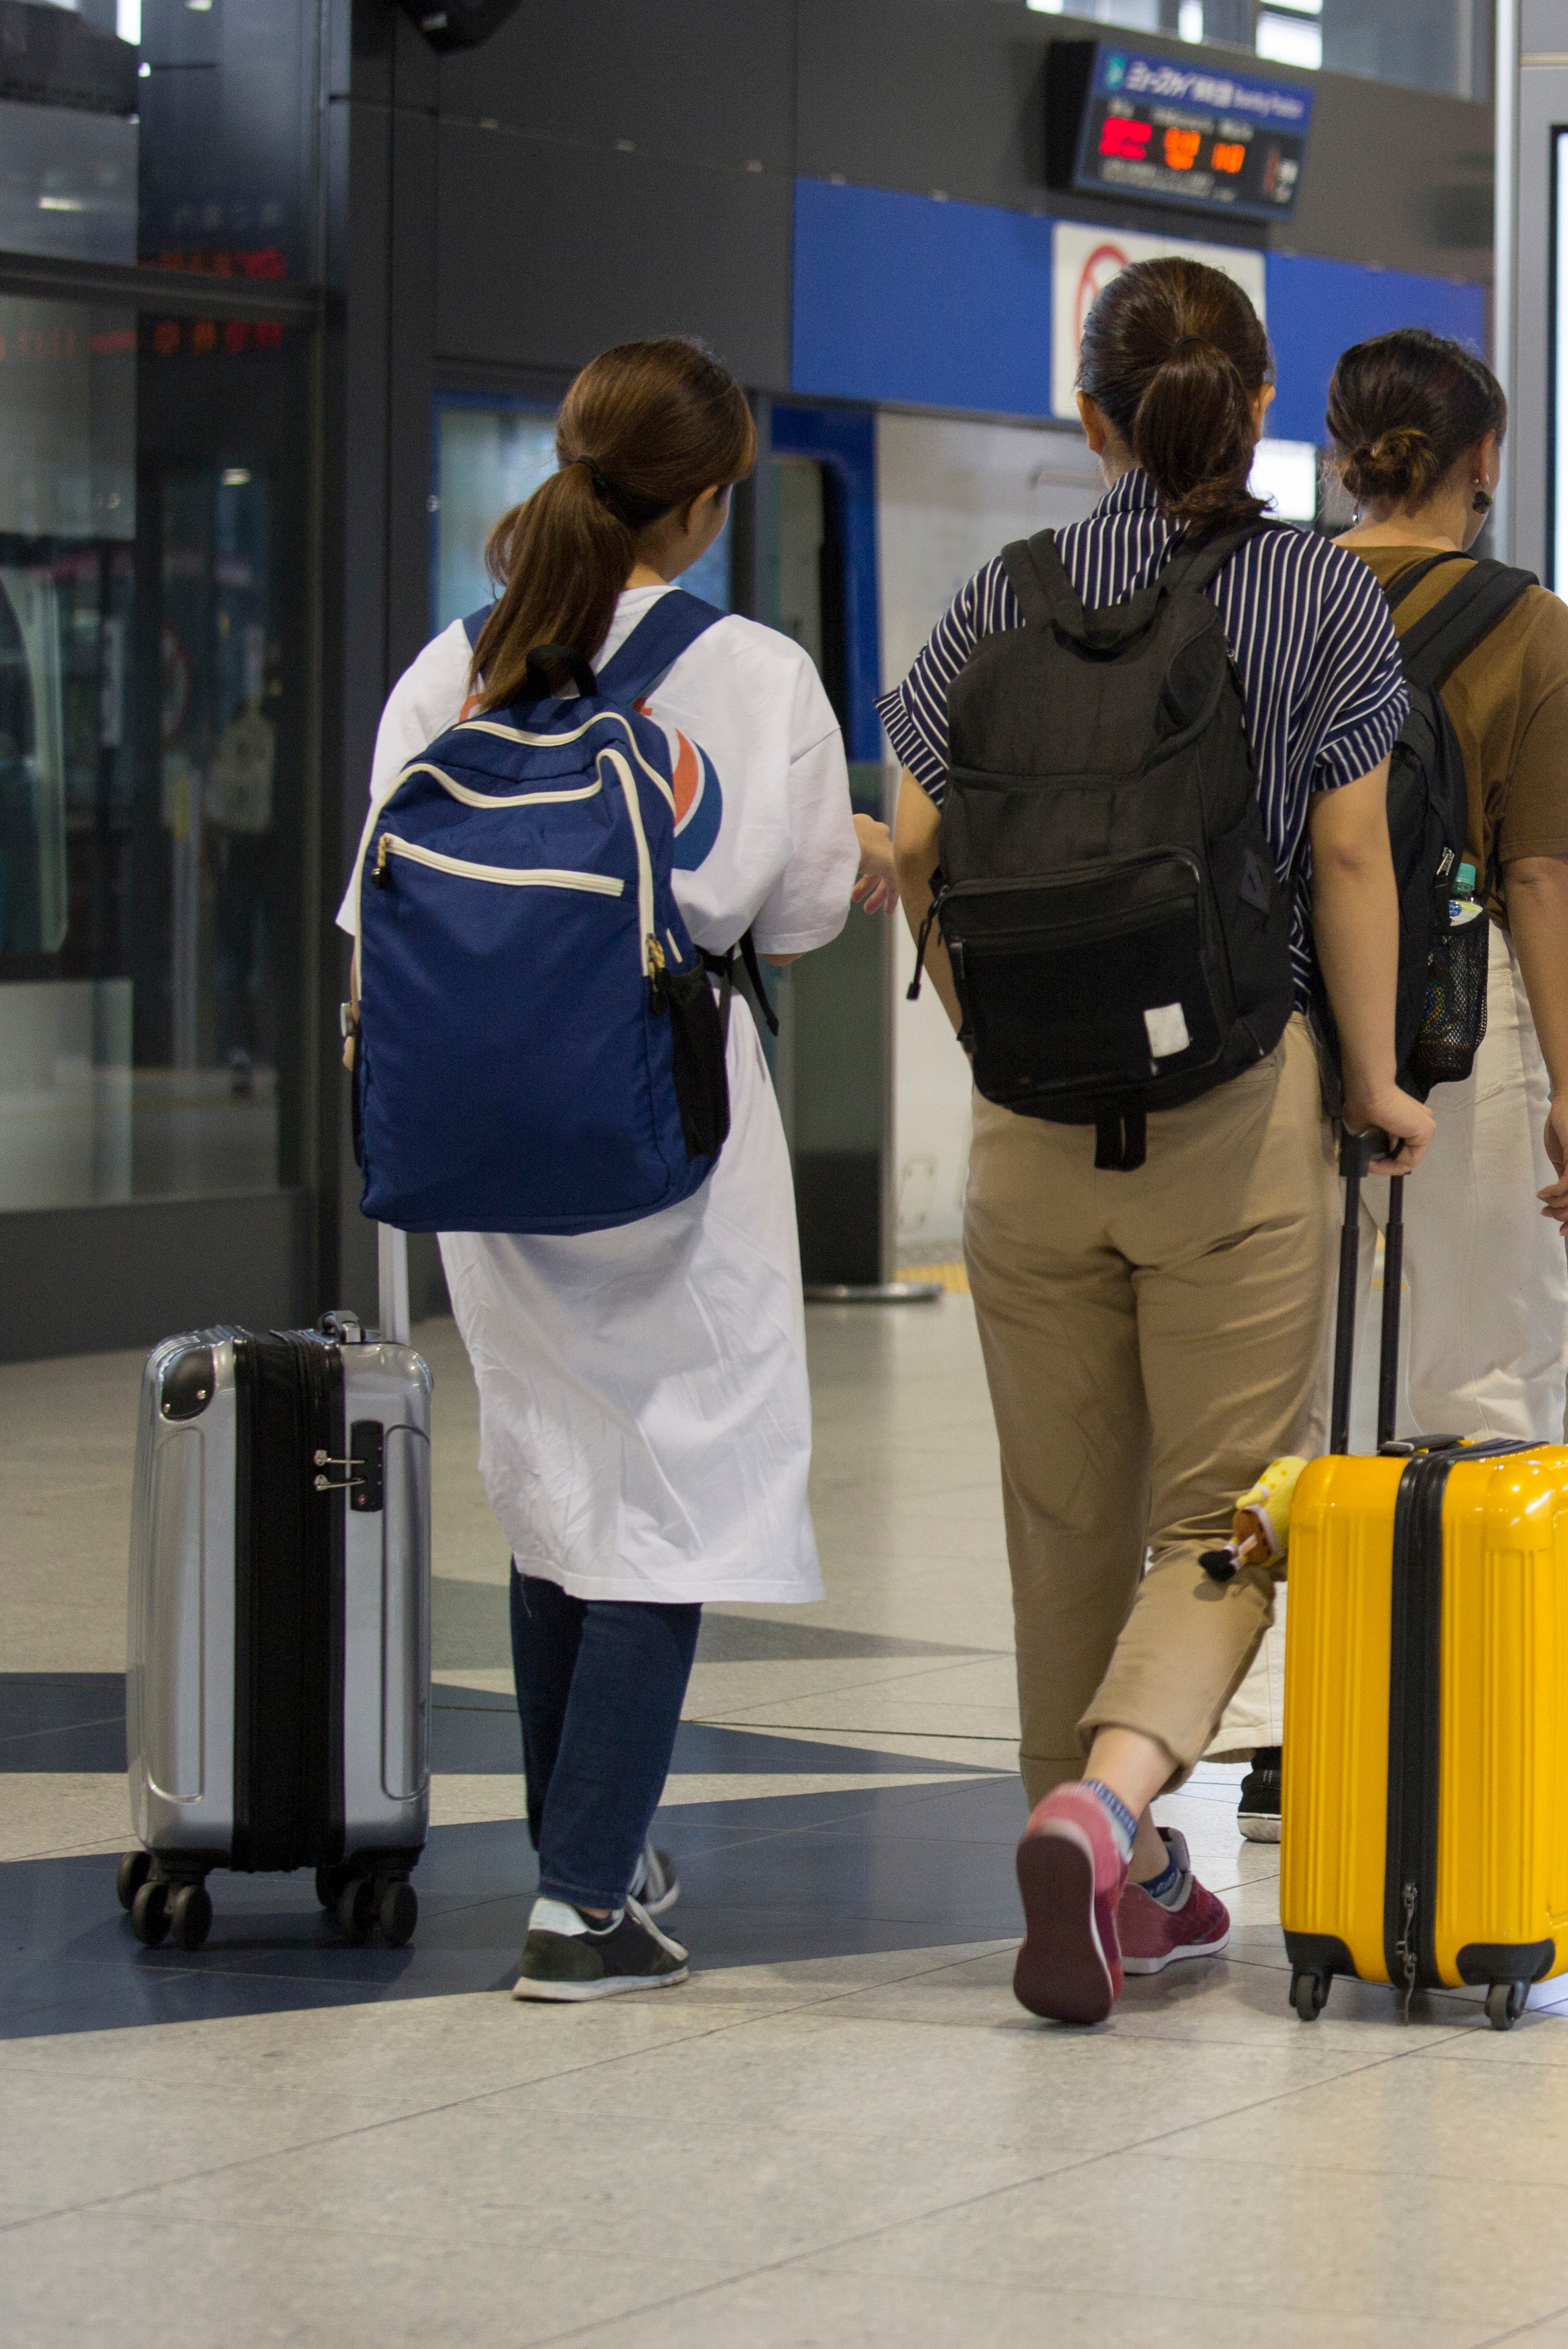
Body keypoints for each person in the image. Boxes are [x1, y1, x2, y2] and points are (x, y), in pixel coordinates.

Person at [879, 258, 1427, 2024]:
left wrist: (989, 1037)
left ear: (1093, 418)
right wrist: (1375, 1082)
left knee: (1064, 1522)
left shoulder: (993, 604)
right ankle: (1110, 1811)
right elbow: (1350, 860)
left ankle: (1115, 1887)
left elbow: (911, 854)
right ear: (1263, 404)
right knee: (1226, 1520)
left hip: (1028, 1133)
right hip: (1231, 1114)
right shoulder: (1316, 600)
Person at [345, 337, 894, 2000]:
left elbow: (371, 914)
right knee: (676, 1492)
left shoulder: (453, 664)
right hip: (664, 1130)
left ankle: (596, 1849)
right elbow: (794, 914)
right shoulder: (751, 674)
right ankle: (583, 1901)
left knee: (557, 1482)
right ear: (712, 500)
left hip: (477, 1143)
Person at [1210, 325, 1568, 1840]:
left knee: (1296, 1374)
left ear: (1334, 447)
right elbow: (1538, 874)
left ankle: (1277, 1732)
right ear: (1480, 464)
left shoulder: (1259, 600)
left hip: (1265, 1020)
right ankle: (1455, 1685)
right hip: (1459, 1022)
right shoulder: (1530, 628)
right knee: (1481, 1356)